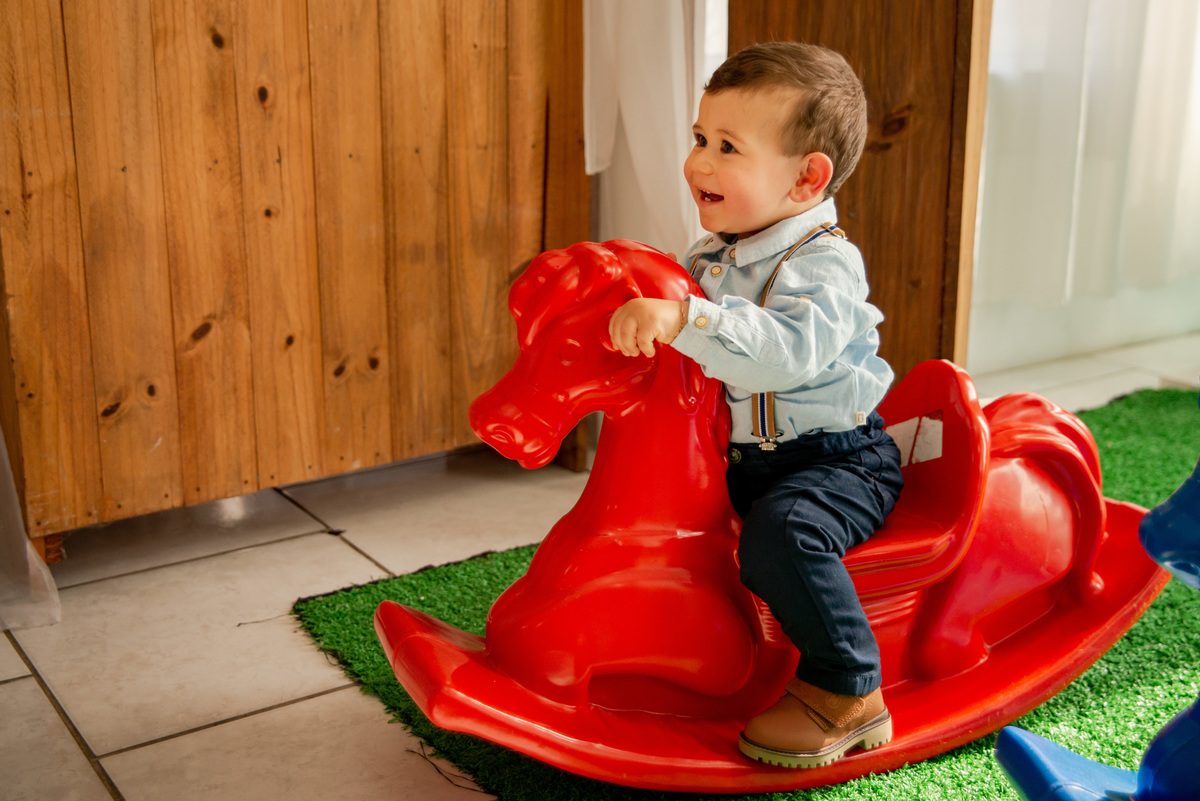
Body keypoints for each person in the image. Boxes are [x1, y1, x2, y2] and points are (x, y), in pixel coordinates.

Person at [607, 41, 904, 769]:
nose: (699, 163)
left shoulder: (824, 262)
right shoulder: (715, 251)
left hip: (837, 460)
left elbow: (784, 351)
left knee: (783, 533)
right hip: (747, 457)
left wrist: (687, 318)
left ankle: (848, 688)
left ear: (807, 177)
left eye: (728, 147)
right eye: (701, 139)